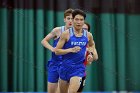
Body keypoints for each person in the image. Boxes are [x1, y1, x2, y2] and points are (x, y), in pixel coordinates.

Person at [55, 9, 98, 93]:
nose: (79, 22)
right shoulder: (66, 34)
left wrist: (91, 54)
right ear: (73, 20)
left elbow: (92, 45)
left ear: (84, 21)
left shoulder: (88, 35)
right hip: (64, 68)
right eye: (77, 19)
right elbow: (57, 51)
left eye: (81, 20)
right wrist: (70, 49)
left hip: (78, 69)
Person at [41, 8, 73, 93]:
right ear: (64, 19)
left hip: (68, 65)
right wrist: (52, 48)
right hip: (54, 64)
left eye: (72, 19)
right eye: (68, 18)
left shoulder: (77, 34)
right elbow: (43, 41)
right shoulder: (57, 30)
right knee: (51, 91)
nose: (70, 21)